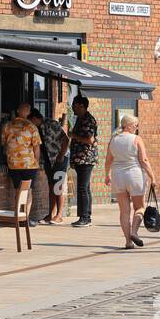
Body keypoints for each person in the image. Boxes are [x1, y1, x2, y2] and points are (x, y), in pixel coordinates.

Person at [104, 113, 155, 249]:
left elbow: (108, 160)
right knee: (139, 207)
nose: (136, 128)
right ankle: (134, 232)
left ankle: (128, 242)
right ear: (128, 125)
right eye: (135, 125)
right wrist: (152, 176)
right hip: (134, 175)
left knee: (124, 211)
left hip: (118, 176)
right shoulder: (136, 139)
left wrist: (107, 175)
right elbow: (143, 160)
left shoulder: (113, 140)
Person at [3, 102, 43, 227]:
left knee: (18, 191)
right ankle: (25, 218)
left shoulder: (7, 126)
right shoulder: (31, 127)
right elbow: (36, 147)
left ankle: (17, 218)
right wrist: (36, 161)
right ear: (28, 112)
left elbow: (3, 144)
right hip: (28, 165)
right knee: (28, 191)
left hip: (13, 164)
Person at [34, 108, 70, 224]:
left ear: (35, 118)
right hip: (48, 160)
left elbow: (66, 139)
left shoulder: (51, 124)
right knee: (51, 186)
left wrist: (61, 155)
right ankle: (51, 214)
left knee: (58, 186)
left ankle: (59, 215)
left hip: (60, 158)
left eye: (31, 121)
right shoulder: (36, 128)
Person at [69, 95, 99, 227]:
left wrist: (73, 135)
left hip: (86, 158)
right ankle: (84, 215)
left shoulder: (88, 119)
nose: (72, 108)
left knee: (82, 187)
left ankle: (85, 217)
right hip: (81, 158)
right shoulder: (80, 118)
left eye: (74, 105)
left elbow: (90, 140)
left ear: (81, 106)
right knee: (84, 187)